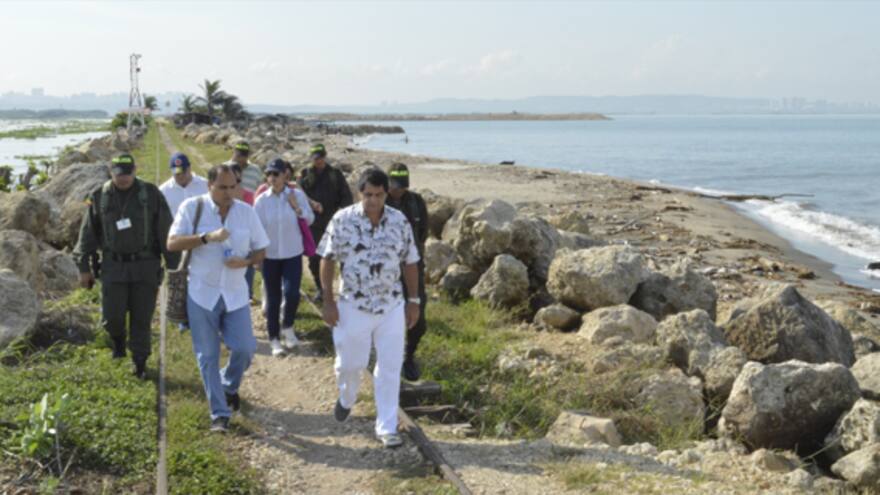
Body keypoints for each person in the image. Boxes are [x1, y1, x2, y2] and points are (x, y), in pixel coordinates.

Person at [318, 168, 421, 448]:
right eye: (367, 195)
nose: (373, 200)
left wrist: (414, 301)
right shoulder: (342, 220)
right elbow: (326, 259)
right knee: (352, 364)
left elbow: (410, 261)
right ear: (359, 193)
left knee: (389, 367)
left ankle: (387, 427)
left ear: (386, 193)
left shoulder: (399, 222)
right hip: (353, 305)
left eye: (378, 195)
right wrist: (328, 301)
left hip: (391, 307)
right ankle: (346, 397)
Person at [167, 164, 269, 433]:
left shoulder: (247, 213)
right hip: (202, 293)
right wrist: (205, 238)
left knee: (245, 348)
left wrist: (246, 261)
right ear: (210, 185)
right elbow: (172, 243)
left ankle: (228, 385)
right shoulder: (192, 208)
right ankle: (219, 414)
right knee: (208, 355)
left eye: (233, 186)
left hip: (235, 294)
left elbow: (261, 251)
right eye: (222, 187)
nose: (228, 192)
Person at [74, 153, 179, 379]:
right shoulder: (99, 196)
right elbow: (87, 235)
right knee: (112, 317)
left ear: (134, 170)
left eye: (128, 173)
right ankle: (118, 341)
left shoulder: (150, 194)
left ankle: (139, 362)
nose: (123, 179)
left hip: (145, 266)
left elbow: (165, 231)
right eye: (118, 174)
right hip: (113, 267)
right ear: (111, 172)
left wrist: (175, 267)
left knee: (141, 318)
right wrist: (84, 268)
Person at [254, 158, 314, 356]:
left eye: (276, 174)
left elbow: (310, 218)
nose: (272, 178)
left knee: (292, 293)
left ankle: (288, 326)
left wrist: (298, 208)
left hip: (292, 254)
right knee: (273, 298)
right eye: (269, 174)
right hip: (270, 256)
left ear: (285, 175)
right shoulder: (262, 200)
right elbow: (257, 229)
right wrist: (257, 254)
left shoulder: (296, 195)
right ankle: (274, 339)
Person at [385, 163, 429, 381]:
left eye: (402, 186)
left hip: (412, 267)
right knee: (386, 318)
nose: (398, 190)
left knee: (418, 319)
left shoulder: (416, 202)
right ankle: (387, 360)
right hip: (385, 270)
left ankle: (408, 355)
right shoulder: (379, 202)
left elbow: (423, 233)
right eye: (395, 186)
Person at [298, 143, 353, 302]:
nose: (319, 161)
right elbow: (300, 196)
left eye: (321, 157)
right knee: (314, 259)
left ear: (325, 156)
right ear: (311, 159)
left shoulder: (335, 175)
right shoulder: (305, 175)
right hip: (313, 225)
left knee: (340, 258)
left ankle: (346, 289)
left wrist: (341, 214)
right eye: (316, 158)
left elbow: (346, 197)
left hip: (334, 223)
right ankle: (320, 288)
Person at [159, 152, 209, 217]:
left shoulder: (205, 185)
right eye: (177, 173)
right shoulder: (163, 191)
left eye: (184, 171)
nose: (181, 176)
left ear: (190, 168)